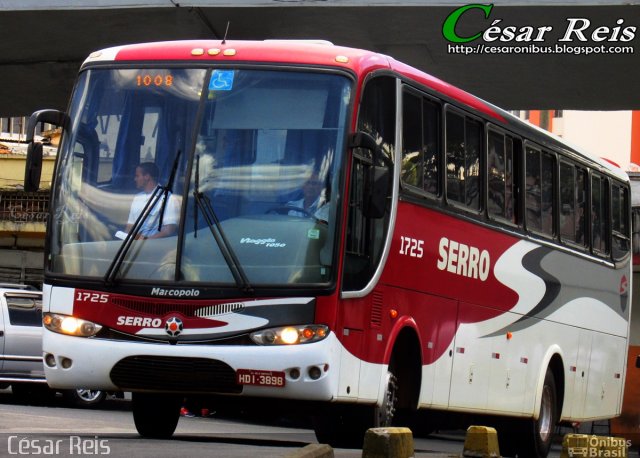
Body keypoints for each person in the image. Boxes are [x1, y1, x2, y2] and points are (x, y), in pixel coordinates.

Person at [123, 162, 180, 239]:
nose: (135, 179)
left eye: (137, 176)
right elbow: (130, 226)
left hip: (154, 246)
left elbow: (169, 230)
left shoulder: (168, 198)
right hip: (131, 245)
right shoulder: (137, 198)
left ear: (147, 176)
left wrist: (146, 241)